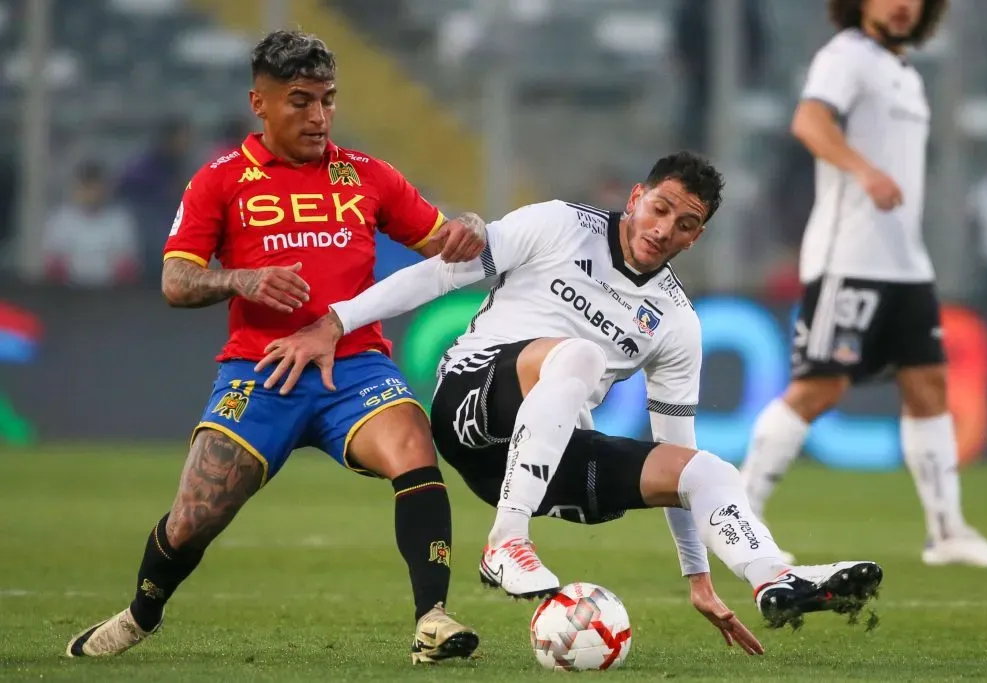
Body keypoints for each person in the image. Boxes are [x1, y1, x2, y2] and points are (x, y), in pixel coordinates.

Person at [257, 151, 884, 647]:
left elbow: (675, 450)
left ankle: (773, 577)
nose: (663, 230)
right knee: (579, 356)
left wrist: (698, 578)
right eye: (660, 209)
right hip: (471, 402)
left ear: (696, 238)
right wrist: (335, 322)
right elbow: (438, 274)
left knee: (709, 471)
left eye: (685, 224)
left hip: (536, 458)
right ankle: (506, 542)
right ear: (636, 198)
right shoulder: (558, 224)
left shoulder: (675, 322)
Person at [66, 30, 485, 665]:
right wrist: (240, 279)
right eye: (301, 101)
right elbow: (175, 281)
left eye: (328, 100)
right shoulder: (219, 180)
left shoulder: (367, 175)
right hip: (260, 370)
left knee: (413, 445)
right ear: (259, 103)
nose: (319, 116)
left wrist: (472, 228)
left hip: (355, 367)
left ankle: (433, 618)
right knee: (195, 514)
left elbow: (446, 244)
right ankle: (140, 614)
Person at [738, 0, 987, 568]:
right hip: (850, 257)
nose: (902, 5)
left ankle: (948, 531)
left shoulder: (905, 72)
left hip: (905, 263)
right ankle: (738, 516)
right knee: (819, 388)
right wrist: (863, 170)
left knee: (929, 386)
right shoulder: (847, 56)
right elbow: (809, 121)